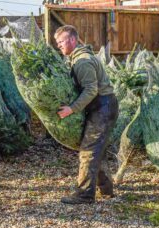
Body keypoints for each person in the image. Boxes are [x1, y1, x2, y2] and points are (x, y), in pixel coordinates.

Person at [54, 25, 119, 204]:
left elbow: (91, 90)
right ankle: (106, 188)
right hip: (101, 106)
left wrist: (72, 109)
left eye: (61, 42)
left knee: (89, 151)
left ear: (73, 40)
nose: (58, 45)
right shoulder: (76, 58)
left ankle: (84, 194)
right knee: (95, 149)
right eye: (57, 43)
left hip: (103, 107)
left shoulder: (82, 61)